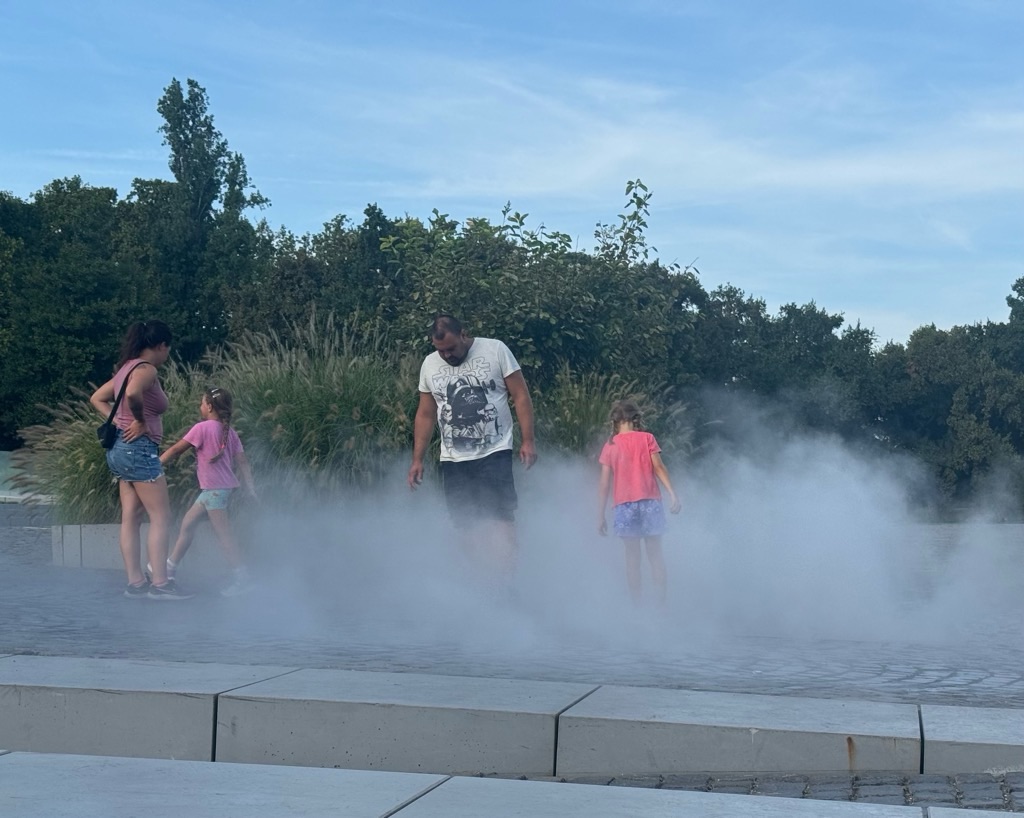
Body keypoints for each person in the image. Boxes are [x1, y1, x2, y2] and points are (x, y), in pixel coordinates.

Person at [408, 314, 537, 576]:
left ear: (463, 334)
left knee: (500, 518)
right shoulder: (429, 364)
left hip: (495, 451)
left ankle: (506, 580)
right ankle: (478, 581)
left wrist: (528, 440)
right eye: (441, 350)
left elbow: (520, 396)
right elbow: (426, 414)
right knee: (464, 523)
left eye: (451, 348)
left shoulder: (495, 350)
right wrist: (417, 459)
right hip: (454, 459)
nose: (447, 355)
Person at [89, 320, 192, 600]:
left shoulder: (126, 368)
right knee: (161, 517)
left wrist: (119, 423)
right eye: (167, 348)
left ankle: (135, 583)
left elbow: (97, 398)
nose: (167, 354)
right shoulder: (146, 370)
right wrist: (140, 421)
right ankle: (160, 584)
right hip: (139, 450)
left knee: (131, 517)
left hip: (120, 451)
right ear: (161, 346)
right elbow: (133, 394)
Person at [159, 387, 257, 597]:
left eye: (202, 403)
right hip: (216, 491)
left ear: (210, 407)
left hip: (214, 492)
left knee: (224, 536)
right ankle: (169, 568)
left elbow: (176, 449)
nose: (199, 406)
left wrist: (155, 465)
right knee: (187, 525)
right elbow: (243, 462)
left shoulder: (202, 428)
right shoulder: (230, 432)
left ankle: (244, 579)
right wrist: (250, 489)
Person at [597, 399, 681, 606]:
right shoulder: (647, 438)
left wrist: (600, 515)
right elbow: (658, 467)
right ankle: (660, 606)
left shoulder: (610, 446)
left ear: (615, 420)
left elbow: (604, 484)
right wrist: (672, 494)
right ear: (635, 418)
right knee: (655, 555)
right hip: (650, 502)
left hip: (624, 506)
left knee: (632, 559)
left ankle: (637, 607)